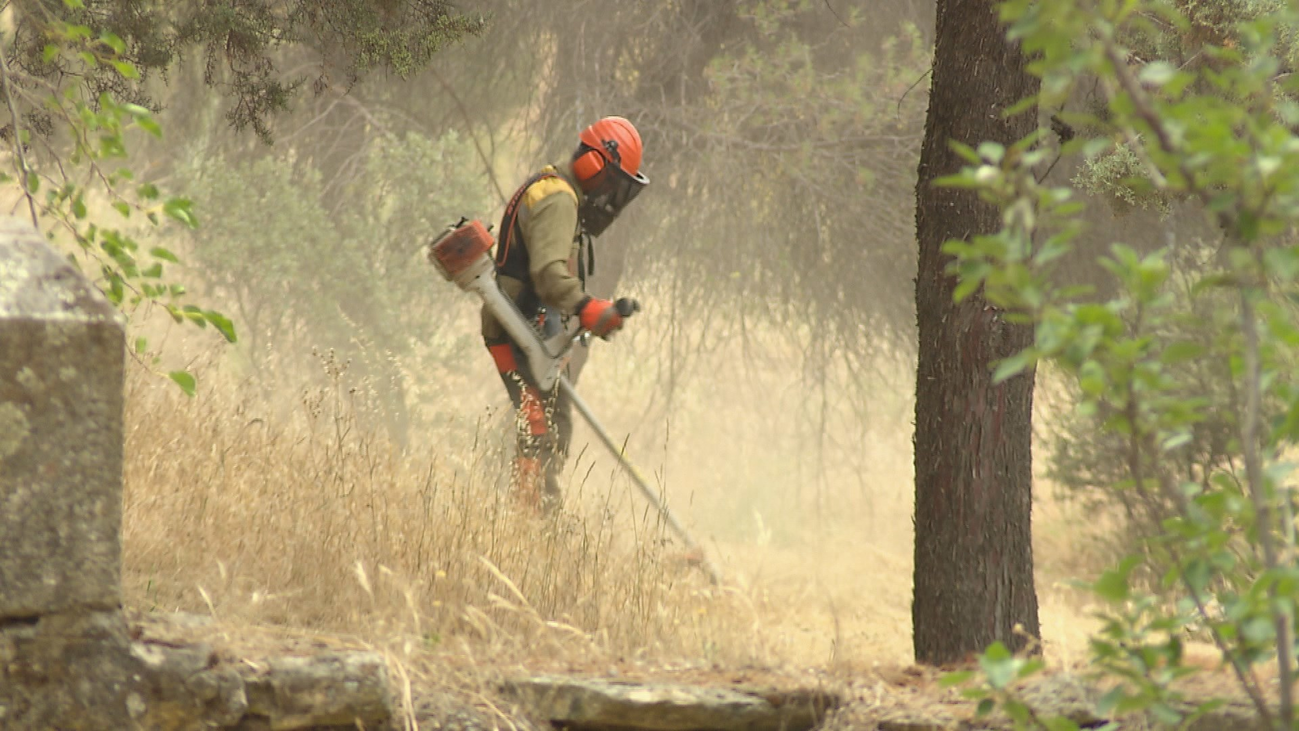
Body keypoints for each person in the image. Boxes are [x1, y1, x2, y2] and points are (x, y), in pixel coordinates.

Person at [482, 116, 649, 511]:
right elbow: (548, 273)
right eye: (613, 183)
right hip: (518, 329)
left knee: (548, 422)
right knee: (541, 425)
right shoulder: (558, 198)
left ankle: (535, 515)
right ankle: (533, 519)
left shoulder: (554, 188)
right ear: (594, 166)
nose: (611, 196)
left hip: (527, 327)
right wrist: (587, 307)